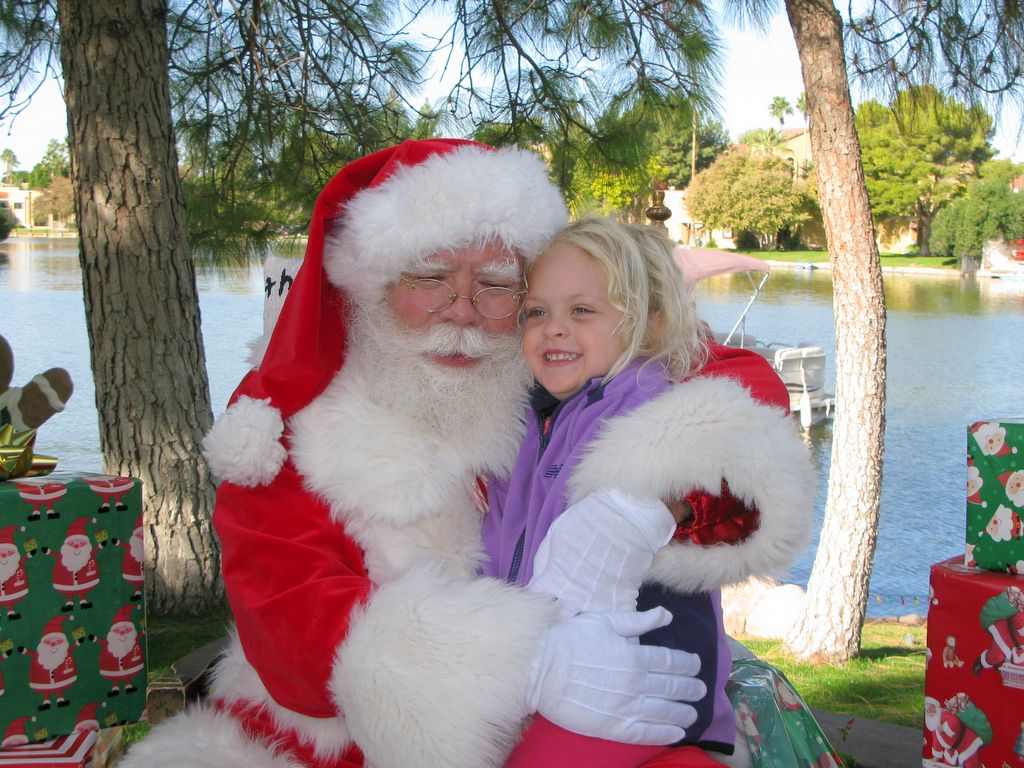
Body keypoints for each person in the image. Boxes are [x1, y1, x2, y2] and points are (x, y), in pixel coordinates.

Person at [119, 139, 716, 768]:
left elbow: (713, 383)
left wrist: (658, 499)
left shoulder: (543, 378)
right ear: (372, 286)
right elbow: (291, 625)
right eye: (429, 277)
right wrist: (528, 662)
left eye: (495, 285)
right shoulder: (288, 430)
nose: (462, 310)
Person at [482, 218, 813, 768]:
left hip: (648, 684)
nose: (554, 329)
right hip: (551, 670)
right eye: (538, 312)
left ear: (650, 325)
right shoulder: (530, 416)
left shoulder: (650, 408)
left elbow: (731, 458)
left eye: (582, 310)